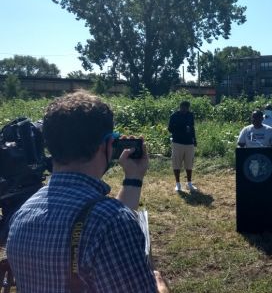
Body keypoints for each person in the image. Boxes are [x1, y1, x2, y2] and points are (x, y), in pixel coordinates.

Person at [6, 91, 169, 293]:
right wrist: (160, 287)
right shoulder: (110, 223)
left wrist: (133, 178)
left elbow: (94, 220)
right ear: (108, 144)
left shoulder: (21, 215)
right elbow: (103, 224)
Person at [168, 101, 197, 192]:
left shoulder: (190, 115)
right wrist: (180, 127)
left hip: (189, 143)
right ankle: (178, 184)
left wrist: (194, 139)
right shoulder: (174, 116)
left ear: (188, 108)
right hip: (177, 142)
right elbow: (170, 129)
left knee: (189, 164)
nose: (185, 110)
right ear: (180, 107)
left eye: (186, 108)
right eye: (183, 108)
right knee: (176, 163)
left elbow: (192, 128)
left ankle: (189, 183)